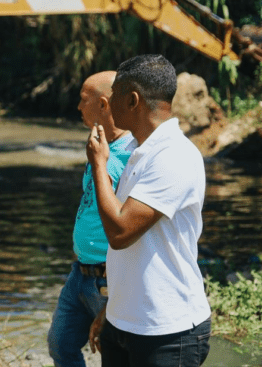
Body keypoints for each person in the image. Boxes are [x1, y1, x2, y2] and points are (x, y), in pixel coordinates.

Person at [86, 54, 211, 366]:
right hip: (124, 321)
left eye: (114, 94)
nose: (108, 102)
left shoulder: (173, 157)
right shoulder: (141, 151)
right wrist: (112, 308)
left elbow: (121, 233)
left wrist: (98, 164)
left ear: (132, 100)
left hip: (168, 332)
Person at [47, 71, 133, 367]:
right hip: (79, 273)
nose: (79, 107)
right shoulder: (99, 147)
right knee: (60, 345)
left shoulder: (130, 157)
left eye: (85, 101)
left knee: (114, 354)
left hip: (108, 278)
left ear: (105, 104)